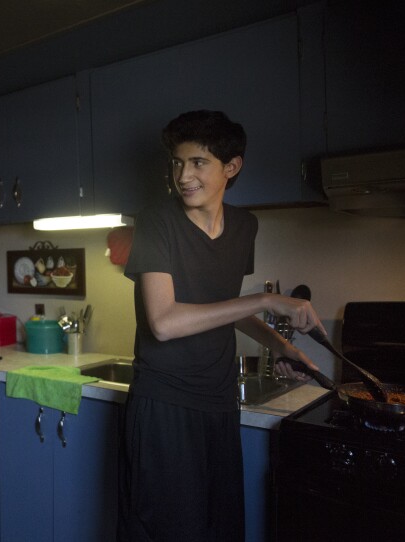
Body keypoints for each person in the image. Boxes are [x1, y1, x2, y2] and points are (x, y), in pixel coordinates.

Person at [118, 110, 324, 541]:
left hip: (219, 400)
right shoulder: (156, 221)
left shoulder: (245, 226)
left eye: (198, 162)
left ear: (231, 167)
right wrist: (269, 299)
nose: (183, 175)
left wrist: (280, 347)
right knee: (166, 531)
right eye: (177, 162)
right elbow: (164, 322)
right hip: (165, 405)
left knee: (219, 529)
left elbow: (225, 307)